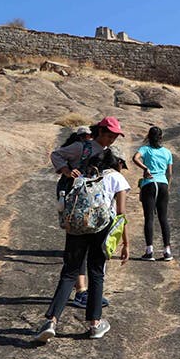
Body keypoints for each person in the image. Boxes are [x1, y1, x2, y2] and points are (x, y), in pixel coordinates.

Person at [35, 142, 130, 342]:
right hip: (101, 228)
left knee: (69, 273)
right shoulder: (117, 178)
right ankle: (95, 324)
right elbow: (121, 214)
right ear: (117, 163)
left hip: (77, 227)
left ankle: (51, 321)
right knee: (96, 274)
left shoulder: (84, 177)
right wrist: (125, 243)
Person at [52, 119, 123, 307]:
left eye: (114, 137)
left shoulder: (108, 152)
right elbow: (56, 155)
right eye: (109, 136)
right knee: (78, 247)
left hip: (96, 206)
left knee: (90, 248)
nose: (111, 140)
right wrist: (67, 170)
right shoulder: (81, 147)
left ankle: (85, 293)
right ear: (100, 131)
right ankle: (81, 291)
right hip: (76, 203)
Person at [132, 126, 174, 261]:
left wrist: (145, 168)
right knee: (163, 218)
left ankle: (149, 251)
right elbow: (170, 173)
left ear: (148, 137)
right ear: (161, 137)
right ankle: (167, 251)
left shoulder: (145, 149)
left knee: (149, 217)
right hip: (163, 184)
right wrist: (168, 187)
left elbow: (135, 158)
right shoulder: (167, 152)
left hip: (149, 183)